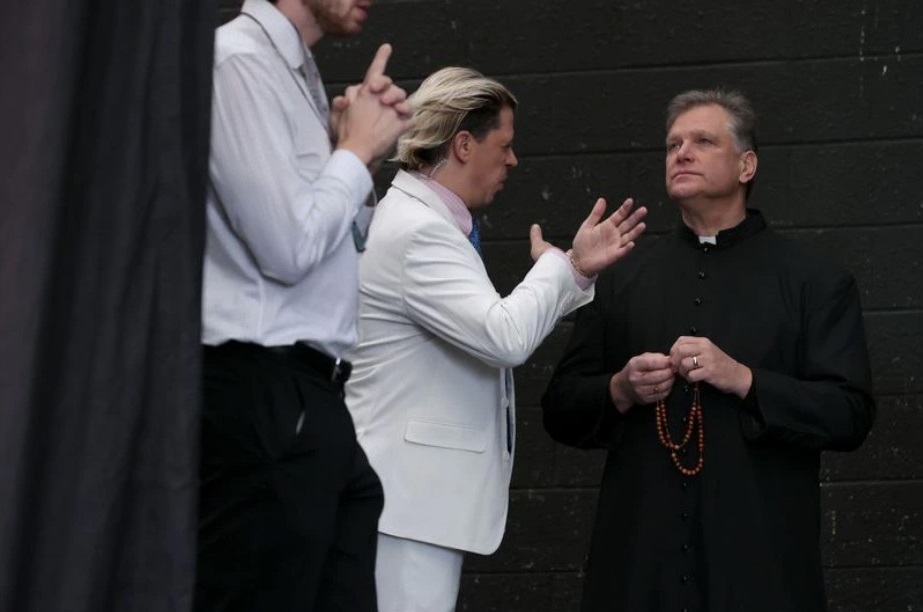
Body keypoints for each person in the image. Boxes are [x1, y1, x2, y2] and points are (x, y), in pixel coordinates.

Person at [541, 88, 875, 612]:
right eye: (673, 143)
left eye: (702, 141)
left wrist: (745, 379)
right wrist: (619, 388)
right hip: (640, 566)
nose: (682, 153)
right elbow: (559, 408)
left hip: (759, 566)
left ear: (747, 165)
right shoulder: (624, 278)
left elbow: (850, 414)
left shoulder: (814, 282)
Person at [344, 66, 648, 612]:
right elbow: (504, 335)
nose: (512, 160)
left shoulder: (426, 223)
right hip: (407, 507)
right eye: (504, 145)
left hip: (412, 507)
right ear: (463, 144)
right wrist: (564, 265)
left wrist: (572, 273)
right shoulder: (420, 233)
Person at [197, 0, 412, 609]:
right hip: (263, 389)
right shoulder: (236, 62)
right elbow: (288, 248)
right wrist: (354, 151)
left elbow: (345, 237)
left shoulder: (296, 73)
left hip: (311, 398)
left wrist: (344, 152)